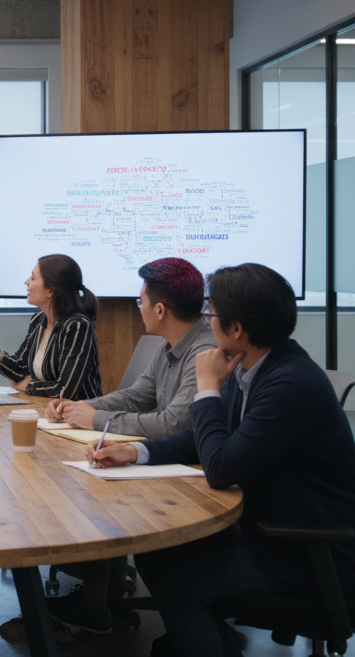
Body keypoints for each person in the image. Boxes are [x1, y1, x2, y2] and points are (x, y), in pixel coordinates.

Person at [88, 263, 355, 657]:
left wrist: (209, 389)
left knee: (182, 588)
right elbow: (203, 439)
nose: (206, 321)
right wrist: (137, 451)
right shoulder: (258, 368)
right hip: (276, 525)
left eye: (212, 315)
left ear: (236, 329)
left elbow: (221, 468)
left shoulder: (289, 384)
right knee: (155, 547)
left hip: (314, 552)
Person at [39, 257, 218, 635]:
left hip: (193, 477)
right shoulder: (170, 343)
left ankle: (98, 600)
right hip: (175, 463)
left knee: (92, 490)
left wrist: (97, 420)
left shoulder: (203, 351)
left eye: (139, 302)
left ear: (159, 309)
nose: (137, 308)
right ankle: (100, 596)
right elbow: (137, 396)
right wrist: (82, 408)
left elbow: (175, 423)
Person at [0, 254, 101, 399]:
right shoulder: (39, 320)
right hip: (46, 412)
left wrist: (29, 386)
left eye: (33, 278)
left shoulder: (78, 326)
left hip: (77, 419)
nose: (26, 282)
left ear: (50, 291)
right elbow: (19, 369)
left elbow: (66, 390)